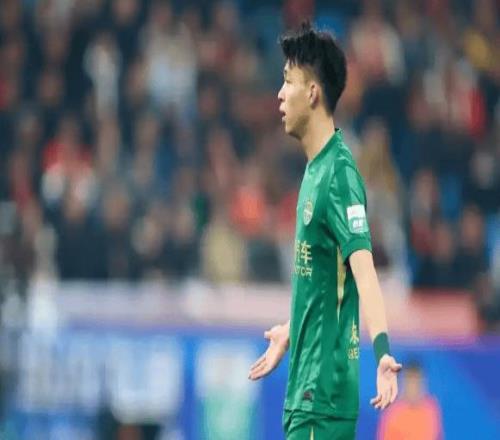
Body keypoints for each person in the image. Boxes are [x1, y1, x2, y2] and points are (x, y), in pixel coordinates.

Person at [248, 22, 402, 440]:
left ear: (313, 92)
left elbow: (364, 270)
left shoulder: (339, 175)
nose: (279, 94)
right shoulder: (316, 169)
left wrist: (382, 352)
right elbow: (327, 281)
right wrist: (292, 329)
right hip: (307, 393)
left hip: (322, 396)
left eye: (288, 81)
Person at [377, 360, 443, 440]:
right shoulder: (393, 413)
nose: (413, 387)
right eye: (410, 382)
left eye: (417, 382)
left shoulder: (431, 409)